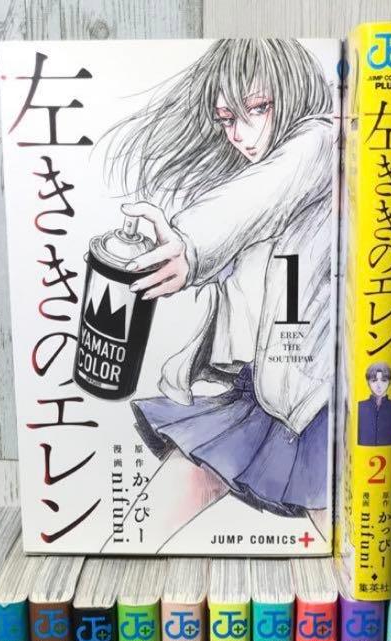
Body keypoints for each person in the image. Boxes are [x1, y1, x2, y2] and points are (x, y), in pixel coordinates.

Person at [102, 39, 337, 548]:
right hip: (263, 391)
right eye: (228, 119)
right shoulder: (255, 171)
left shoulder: (318, 141)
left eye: (259, 108)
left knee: (346, 544)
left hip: (312, 400)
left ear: (293, 91)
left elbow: (255, 199)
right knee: (146, 525)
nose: (241, 135)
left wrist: (189, 244)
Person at [357, 362, 391, 446]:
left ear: (389, 382)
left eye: (384, 380)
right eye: (374, 380)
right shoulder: (360, 406)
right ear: (368, 383)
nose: (379, 385)